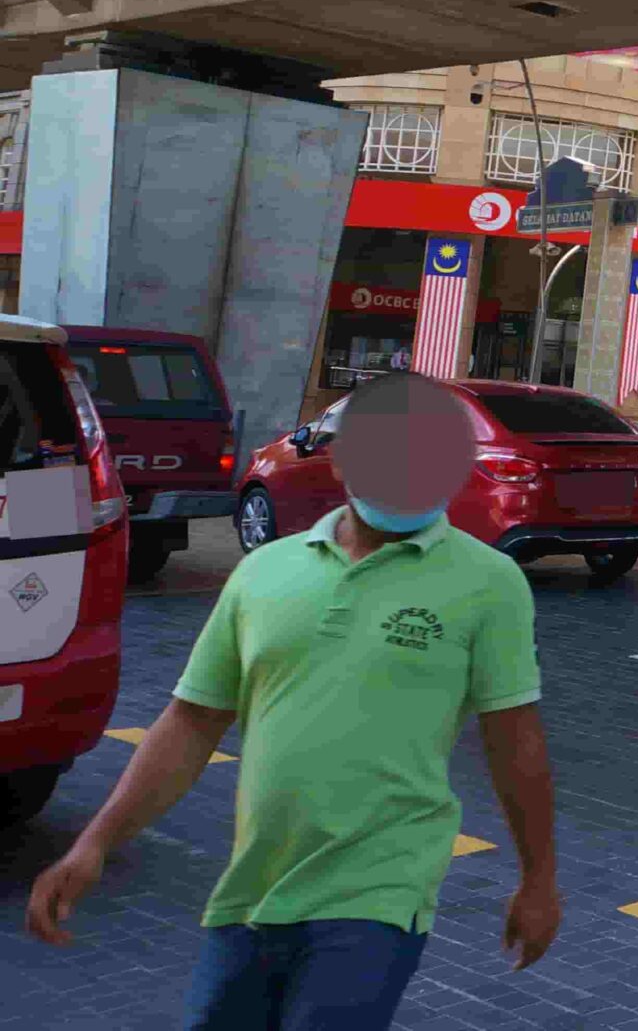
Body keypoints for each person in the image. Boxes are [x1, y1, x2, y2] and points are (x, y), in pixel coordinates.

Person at [26, 372, 559, 1030]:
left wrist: (539, 877)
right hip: (252, 892)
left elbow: (516, 740)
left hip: (378, 895)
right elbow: (192, 722)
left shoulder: (489, 583)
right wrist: (95, 843)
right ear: (340, 458)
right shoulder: (264, 571)